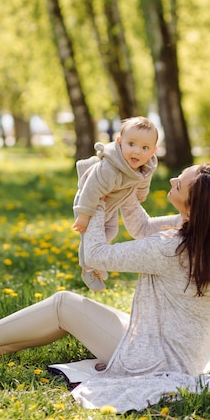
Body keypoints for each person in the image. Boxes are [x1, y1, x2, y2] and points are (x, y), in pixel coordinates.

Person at [0, 163, 210, 412]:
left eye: (180, 184)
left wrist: (96, 198)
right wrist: (125, 180)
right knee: (73, 314)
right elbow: (141, 226)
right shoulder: (208, 237)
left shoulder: (172, 248)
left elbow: (97, 255)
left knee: (65, 304)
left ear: (193, 207)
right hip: (178, 354)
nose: (172, 179)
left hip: (155, 360)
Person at [72, 116, 158, 290]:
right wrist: (83, 215)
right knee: (88, 237)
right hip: (89, 203)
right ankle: (87, 268)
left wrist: (142, 193)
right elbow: (91, 189)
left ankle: (97, 261)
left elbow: (143, 179)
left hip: (109, 207)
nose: (137, 152)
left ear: (153, 151)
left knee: (110, 231)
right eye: (131, 144)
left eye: (145, 147)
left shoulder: (146, 165)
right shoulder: (110, 168)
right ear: (119, 142)